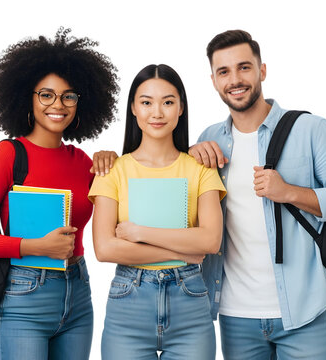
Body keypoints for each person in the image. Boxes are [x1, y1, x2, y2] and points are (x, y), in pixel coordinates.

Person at [187, 30, 326, 359]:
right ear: (214, 81)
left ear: (262, 71)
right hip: (235, 315)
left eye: (244, 67)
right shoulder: (209, 139)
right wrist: (189, 154)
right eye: (223, 72)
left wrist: (289, 192)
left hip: (303, 312)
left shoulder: (311, 130)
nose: (235, 79)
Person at [0, 28, 119, 359]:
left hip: (78, 293)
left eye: (68, 96)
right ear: (27, 98)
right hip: (23, 296)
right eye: (46, 95)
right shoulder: (8, 155)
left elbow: (118, 218)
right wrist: (36, 246)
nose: (57, 105)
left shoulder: (83, 161)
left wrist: (115, 163)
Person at [88, 64, 226, 360]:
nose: (157, 112)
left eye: (168, 102)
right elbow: (104, 248)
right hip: (128, 305)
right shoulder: (112, 170)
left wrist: (139, 233)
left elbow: (211, 241)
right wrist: (183, 252)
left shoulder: (200, 168)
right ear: (134, 109)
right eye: (146, 102)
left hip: (190, 302)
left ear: (181, 108)